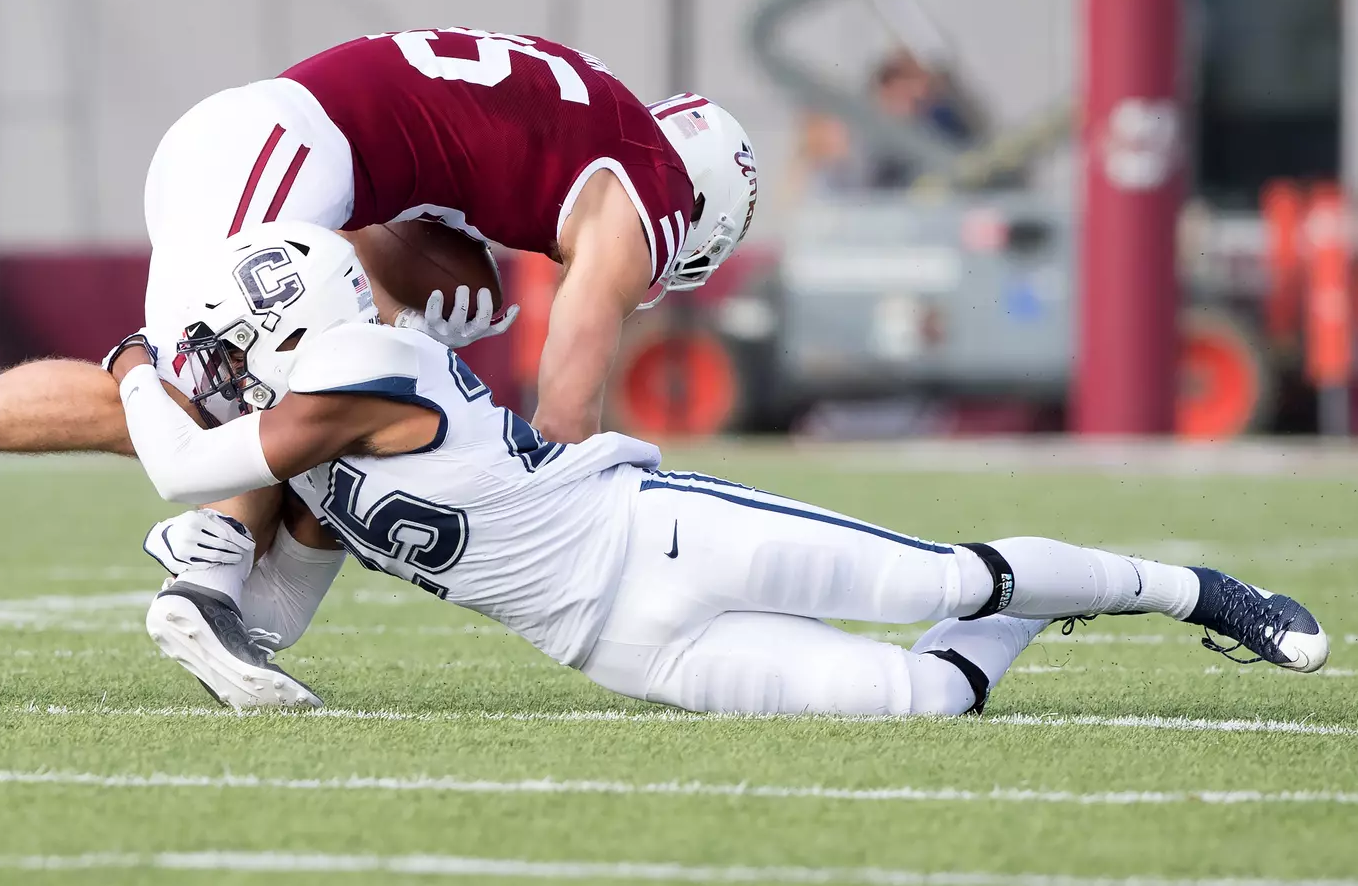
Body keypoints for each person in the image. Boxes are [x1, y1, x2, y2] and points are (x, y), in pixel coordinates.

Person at [102, 224, 1327, 712]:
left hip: (650, 533)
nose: (216, 355)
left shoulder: (366, 363)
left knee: (945, 579)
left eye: (230, 335)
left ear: (296, 318)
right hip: (616, 643)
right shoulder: (309, 436)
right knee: (929, 698)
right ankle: (1026, 610)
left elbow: (171, 463)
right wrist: (228, 622)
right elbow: (286, 611)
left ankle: (1196, 591)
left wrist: (134, 365)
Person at [0, 28, 760, 605]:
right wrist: (560, 529)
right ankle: (210, 568)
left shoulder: (594, 123)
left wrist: (421, 324)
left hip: (279, 149)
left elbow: (423, 162)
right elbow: (565, 414)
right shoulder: (653, 188)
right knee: (236, 388)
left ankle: (231, 596)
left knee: (322, 387)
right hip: (284, 149)